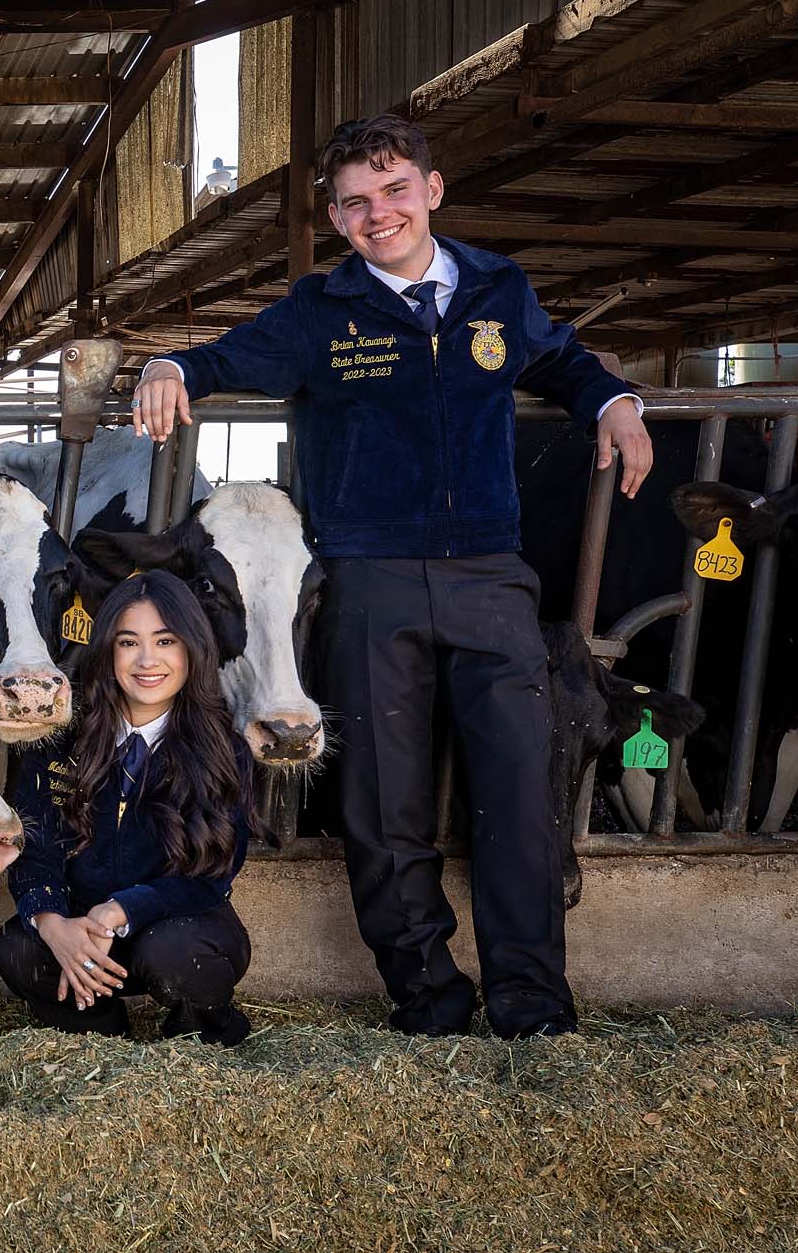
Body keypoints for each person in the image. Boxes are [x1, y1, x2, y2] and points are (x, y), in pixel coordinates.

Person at [133, 115, 653, 1039]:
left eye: (396, 191)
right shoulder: (318, 310)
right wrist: (171, 364)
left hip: (491, 573)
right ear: (337, 219)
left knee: (521, 791)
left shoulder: (497, 287)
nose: (381, 215)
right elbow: (223, 356)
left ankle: (532, 1005)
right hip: (367, 579)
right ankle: (428, 997)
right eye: (358, 203)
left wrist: (614, 400)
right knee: (383, 802)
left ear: (433, 189)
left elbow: (561, 356)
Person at [0, 571, 258, 1046]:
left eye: (166, 641)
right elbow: (34, 845)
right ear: (107, 651)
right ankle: (99, 1031)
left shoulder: (222, 748)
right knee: (17, 948)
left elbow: (212, 875)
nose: (147, 660)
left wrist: (122, 910)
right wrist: (53, 923)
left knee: (178, 956)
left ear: (192, 648)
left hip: (177, 926)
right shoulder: (59, 739)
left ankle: (204, 1031)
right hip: (84, 928)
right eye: (128, 642)